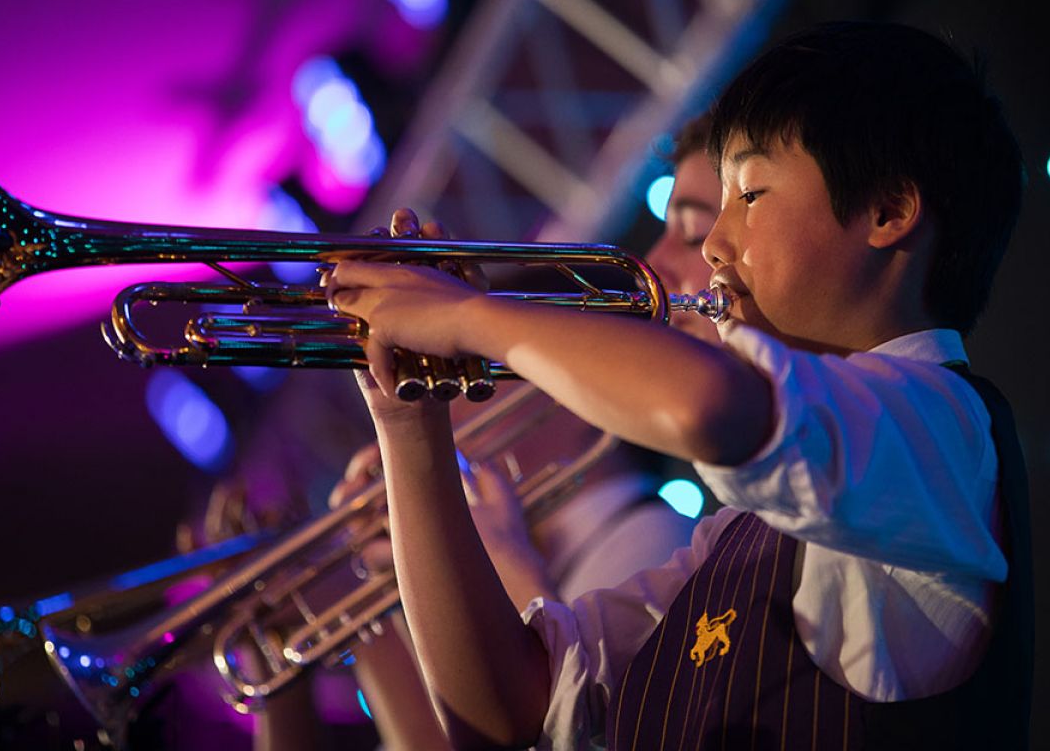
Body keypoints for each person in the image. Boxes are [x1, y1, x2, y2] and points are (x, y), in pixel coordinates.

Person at [326, 20, 1031, 750]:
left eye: (750, 194)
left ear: (887, 211)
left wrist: (474, 317)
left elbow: (708, 402)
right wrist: (410, 424)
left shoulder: (946, 427)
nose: (717, 246)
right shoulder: (736, 535)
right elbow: (508, 709)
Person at [256, 116, 726, 751]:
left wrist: (506, 563)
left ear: (560, 390)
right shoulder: (712, 540)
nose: (455, 398)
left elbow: (571, 730)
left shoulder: (655, 541)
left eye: (478, 375)